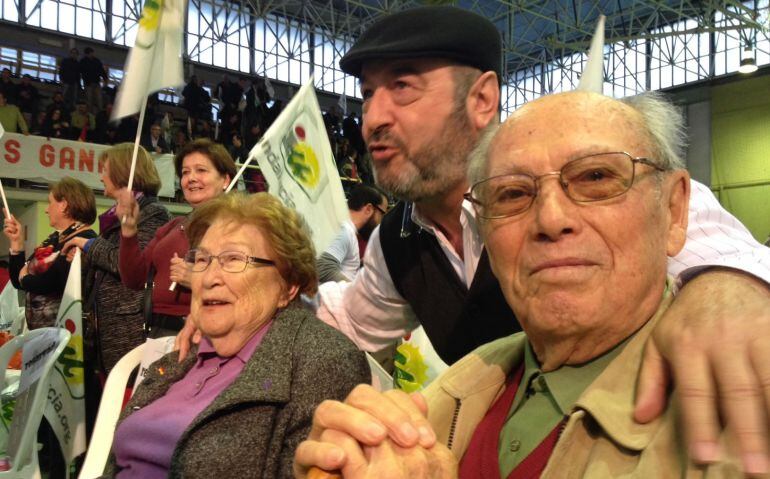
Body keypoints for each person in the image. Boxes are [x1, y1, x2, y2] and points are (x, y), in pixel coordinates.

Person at [285, 6, 769, 468]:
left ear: (482, 99)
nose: (373, 118)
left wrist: (724, 287)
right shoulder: (399, 239)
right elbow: (349, 322)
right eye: (368, 94)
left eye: (403, 86)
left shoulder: (602, 170)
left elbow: (723, 248)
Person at [106, 192, 370, 478]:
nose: (209, 278)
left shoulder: (322, 363)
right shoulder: (183, 357)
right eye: (202, 260)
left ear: (288, 286)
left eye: (233, 259)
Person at [64, 144, 170, 374]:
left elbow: (125, 264)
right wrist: (86, 259)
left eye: (104, 169)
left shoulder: (153, 213)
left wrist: (88, 243)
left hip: (129, 331)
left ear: (123, 172)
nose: (100, 176)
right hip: (108, 331)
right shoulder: (113, 218)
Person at [116, 139, 236, 337]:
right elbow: (133, 278)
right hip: (156, 330)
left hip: (200, 332)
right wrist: (128, 230)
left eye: (201, 170)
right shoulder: (173, 225)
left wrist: (198, 280)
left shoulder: (236, 228)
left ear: (225, 180)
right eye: (185, 172)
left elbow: (244, 285)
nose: (191, 178)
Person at [3, 177, 96, 329]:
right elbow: (17, 280)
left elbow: (52, 282)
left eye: (50, 202)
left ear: (64, 205)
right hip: (42, 334)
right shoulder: (55, 239)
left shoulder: (84, 240)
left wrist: (25, 278)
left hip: (65, 334)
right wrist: (17, 243)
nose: (47, 209)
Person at [317, 184, 389, 282]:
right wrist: (353, 290)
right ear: (368, 209)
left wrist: (360, 264)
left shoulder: (347, 230)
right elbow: (324, 268)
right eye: (382, 214)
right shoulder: (345, 231)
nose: (381, 222)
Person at [80, 47, 107, 114]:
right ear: (86, 54)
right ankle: (90, 114)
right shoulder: (83, 61)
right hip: (88, 83)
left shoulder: (96, 61)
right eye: (90, 53)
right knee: (89, 100)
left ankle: (100, 113)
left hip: (96, 83)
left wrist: (105, 77)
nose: (91, 54)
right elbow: (82, 72)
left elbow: (101, 70)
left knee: (99, 99)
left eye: (91, 53)